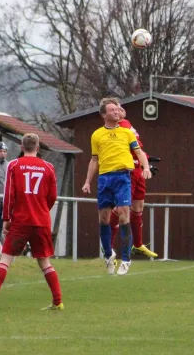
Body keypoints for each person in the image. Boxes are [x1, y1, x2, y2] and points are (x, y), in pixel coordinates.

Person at [0, 134, 62, 310]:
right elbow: (52, 196)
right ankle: (57, 302)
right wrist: (42, 209)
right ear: (38, 148)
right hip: (41, 220)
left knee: (5, 259)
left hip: (21, 220)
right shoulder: (48, 167)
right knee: (45, 262)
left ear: (22, 147)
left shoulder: (14, 165)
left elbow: (9, 195)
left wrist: (7, 219)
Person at [81, 98, 151, 275]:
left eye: (117, 109)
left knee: (123, 214)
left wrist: (146, 167)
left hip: (122, 177)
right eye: (112, 110)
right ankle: (108, 254)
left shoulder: (127, 133)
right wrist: (88, 181)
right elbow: (94, 159)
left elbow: (139, 152)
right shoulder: (97, 135)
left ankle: (126, 259)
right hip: (104, 178)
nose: (116, 112)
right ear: (104, 114)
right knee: (104, 219)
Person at [109, 104, 159, 258]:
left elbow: (137, 148)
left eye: (121, 107)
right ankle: (108, 246)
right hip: (128, 171)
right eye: (116, 108)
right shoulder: (117, 128)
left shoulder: (128, 124)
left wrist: (147, 161)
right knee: (120, 209)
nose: (121, 109)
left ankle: (137, 245)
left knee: (138, 207)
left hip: (138, 170)